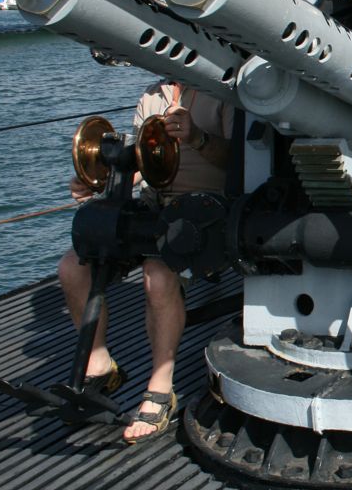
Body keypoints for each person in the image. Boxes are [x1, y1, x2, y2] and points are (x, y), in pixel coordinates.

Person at [58, 80, 233, 443]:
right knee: (74, 267)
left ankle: (160, 385)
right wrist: (98, 182)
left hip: (207, 208)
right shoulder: (151, 97)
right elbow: (142, 163)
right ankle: (100, 364)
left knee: (157, 273)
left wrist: (198, 137)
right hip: (155, 208)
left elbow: (241, 161)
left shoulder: (225, 91)